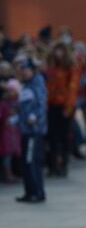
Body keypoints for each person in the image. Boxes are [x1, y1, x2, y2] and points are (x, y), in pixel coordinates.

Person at [14, 58, 47, 203]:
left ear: (32, 71)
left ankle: (37, 192)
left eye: (26, 70)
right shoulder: (26, 85)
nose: (24, 73)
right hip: (25, 129)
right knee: (26, 162)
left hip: (33, 130)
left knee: (31, 161)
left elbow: (41, 105)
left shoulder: (37, 85)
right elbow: (23, 106)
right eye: (23, 71)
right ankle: (29, 192)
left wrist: (35, 117)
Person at [45, 41, 79, 176]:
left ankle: (63, 165)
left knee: (63, 137)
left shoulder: (70, 67)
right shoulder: (50, 66)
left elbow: (73, 88)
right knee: (51, 137)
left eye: (61, 51)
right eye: (56, 50)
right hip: (50, 105)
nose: (58, 53)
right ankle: (52, 165)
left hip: (64, 106)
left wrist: (68, 107)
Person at [0, 62, 21, 183]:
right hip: (6, 133)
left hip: (13, 133)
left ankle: (14, 173)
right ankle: (8, 175)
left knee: (13, 154)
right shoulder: (4, 104)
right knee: (7, 155)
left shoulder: (18, 103)